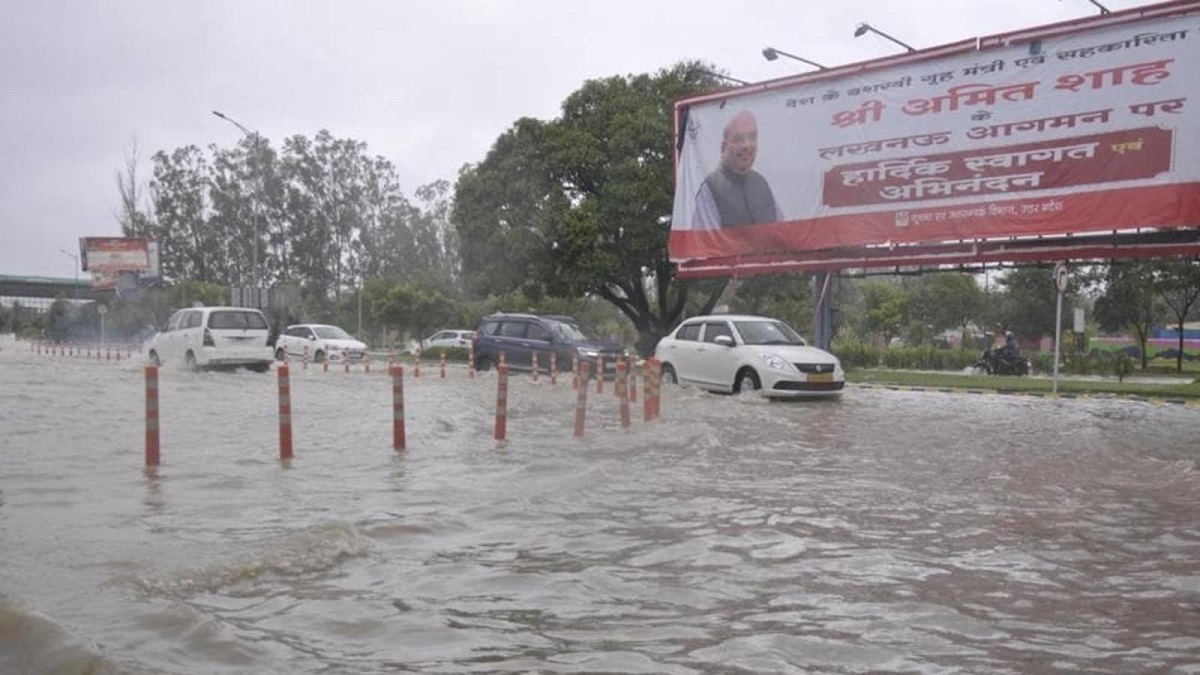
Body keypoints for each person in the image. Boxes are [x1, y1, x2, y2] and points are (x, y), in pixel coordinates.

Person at [691, 110, 782, 230]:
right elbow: (706, 239)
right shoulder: (711, 188)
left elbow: (781, 231)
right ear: (723, 148)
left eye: (752, 137)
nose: (747, 146)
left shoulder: (762, 184)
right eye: (738, 139)